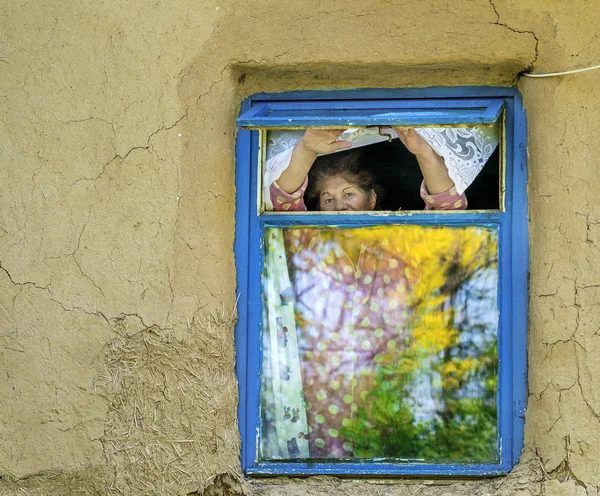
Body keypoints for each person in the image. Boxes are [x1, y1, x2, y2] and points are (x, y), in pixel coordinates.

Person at [269, 128, 467, 212]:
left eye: (349, 194)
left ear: (371, 199)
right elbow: (283, 202)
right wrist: (306, 150)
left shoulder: (399, 238)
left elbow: (448, 211)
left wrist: (424, 153)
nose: (339, 207)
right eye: (328, 199)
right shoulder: (309, 241)